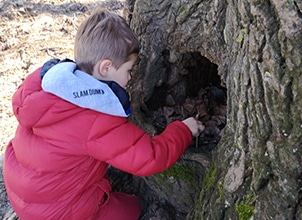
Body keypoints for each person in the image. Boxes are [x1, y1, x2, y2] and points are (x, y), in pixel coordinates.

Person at [3, 8, 205, 220]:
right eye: (128, 70)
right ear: (106, 68)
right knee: (134, 207)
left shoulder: (48, 86)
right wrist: (183, 130)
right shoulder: (96, 118)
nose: (129, 78)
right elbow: (149, 158)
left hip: (24, 191)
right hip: (57, 212)